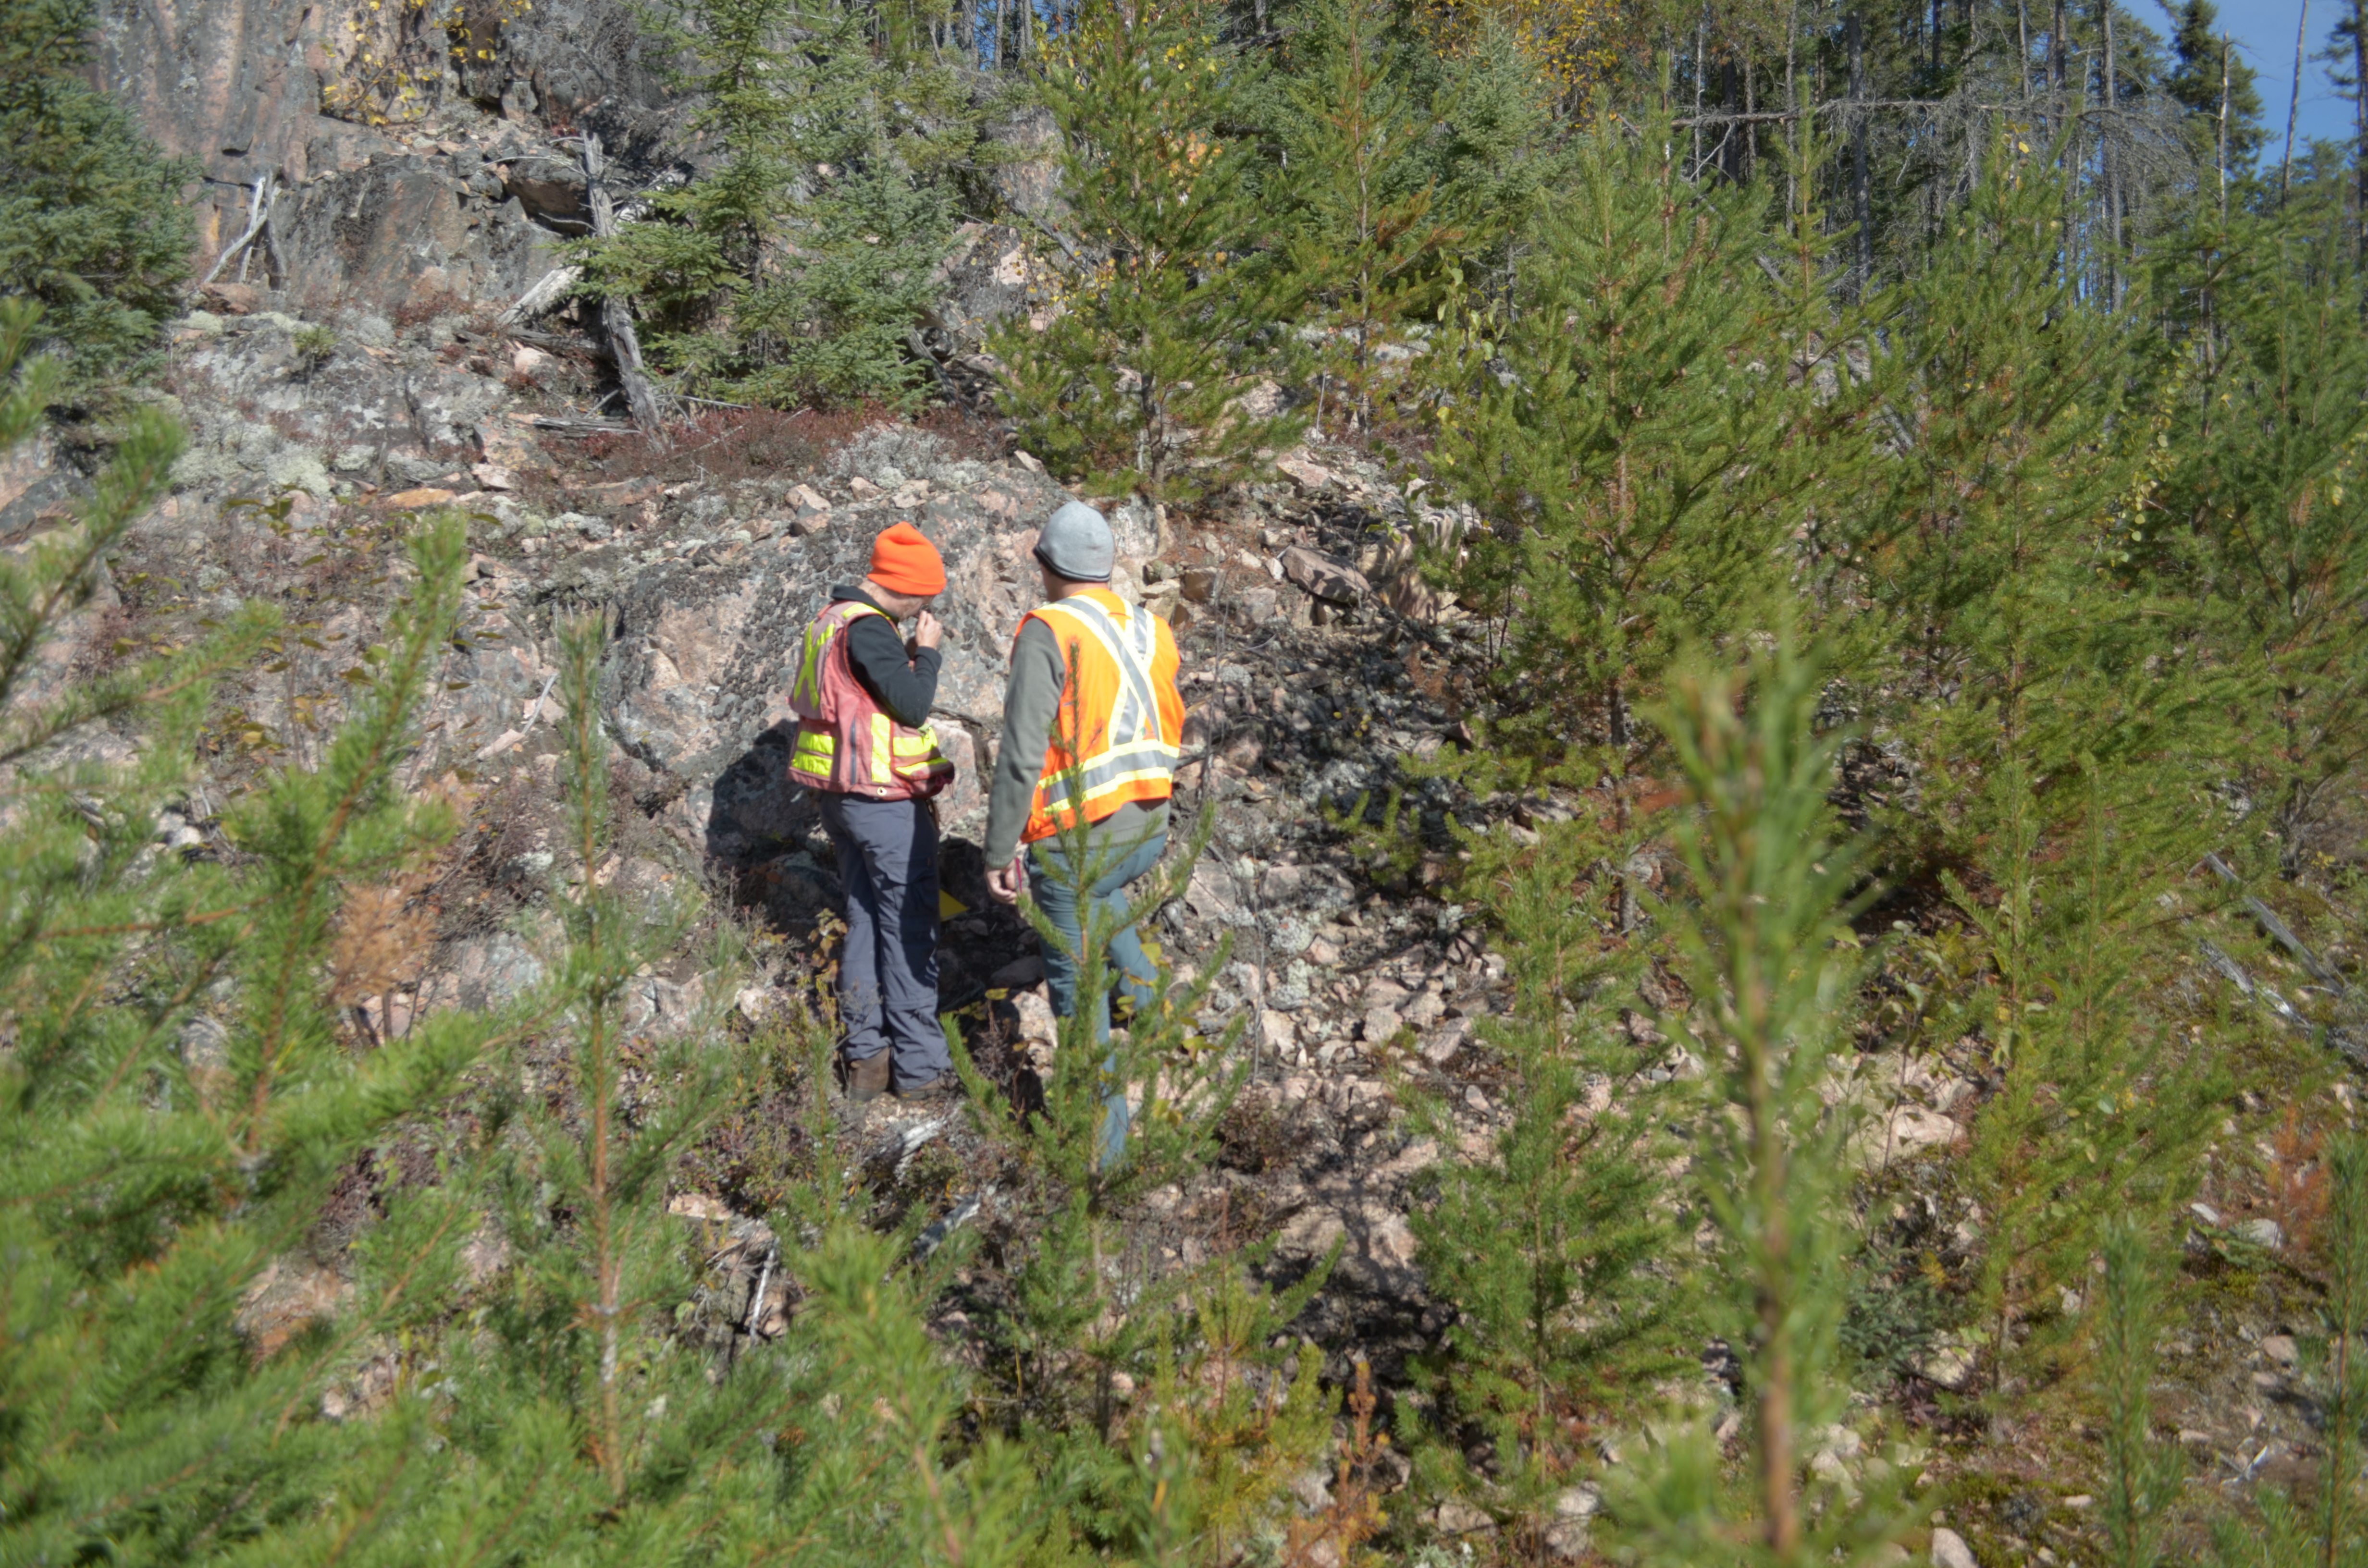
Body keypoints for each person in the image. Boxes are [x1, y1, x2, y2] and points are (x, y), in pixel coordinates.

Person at [983, 502, 1184, 1163]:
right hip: (1150, 823)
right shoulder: (1151, 627)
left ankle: (1103, 1162)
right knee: (1106, 897)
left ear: (1046, 565)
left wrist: (1000, 847)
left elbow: (1020, 751)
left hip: (1080, 840)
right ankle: (1153, 1006)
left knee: (1076, 996)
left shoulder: (1049, 630)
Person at [787, 521, 959, 1103]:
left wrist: (904, 656)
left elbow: (860, 696)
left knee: (864, 920)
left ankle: (866, 1061)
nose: (924, 609)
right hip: (881, 803)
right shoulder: (870, 630)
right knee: (908, 927)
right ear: (907, 590)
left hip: (840, 799)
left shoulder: (831, 620)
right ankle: (920, 1070)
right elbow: (910, 706)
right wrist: (928, 657)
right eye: (924, 598)